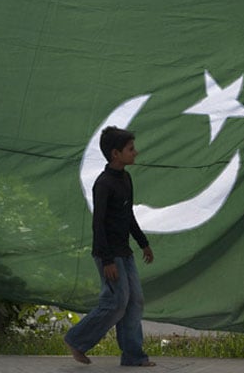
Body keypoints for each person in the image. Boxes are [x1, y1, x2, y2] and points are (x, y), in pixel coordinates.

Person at [64, 126, 155, 367]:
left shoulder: (126, 178)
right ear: (116, 154)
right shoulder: (103, 184)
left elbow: (128, 216)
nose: (135, 152)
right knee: (116, 302)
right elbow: (98, 224)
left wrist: (143, 243)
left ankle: (133, 355)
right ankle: (77, 340)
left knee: (134, 301)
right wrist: (106, 260)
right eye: (130, 149)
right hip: (109, 254)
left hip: (125, 252)